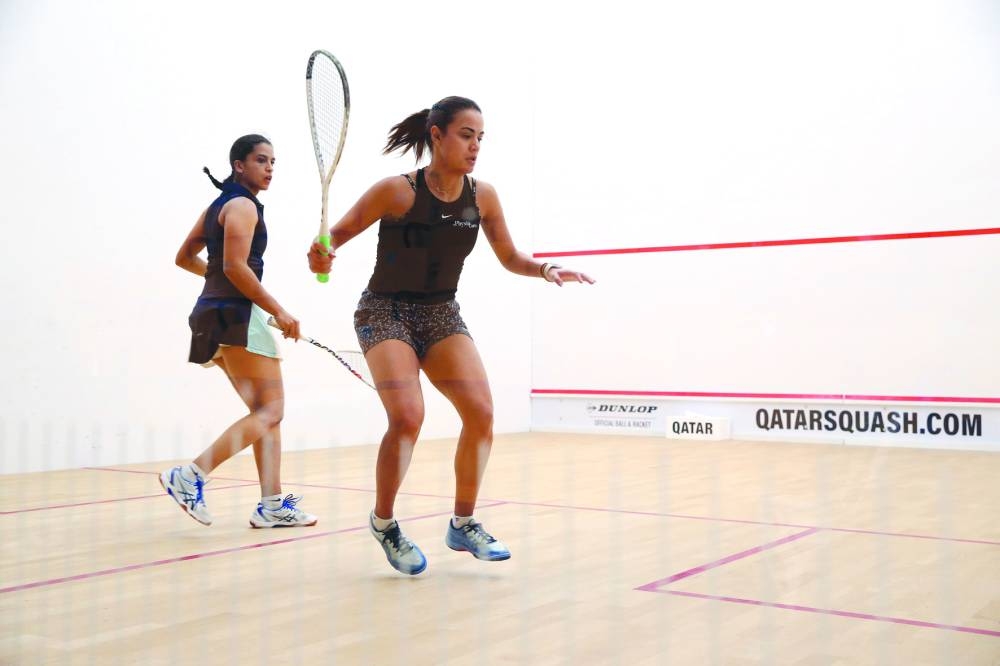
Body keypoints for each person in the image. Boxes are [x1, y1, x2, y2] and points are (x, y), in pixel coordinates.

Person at [307, 97, 593, 574]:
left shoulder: (483, 197)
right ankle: (384, 523)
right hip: (385, 311)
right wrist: (321, 254)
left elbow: (510, 257)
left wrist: (546, 269)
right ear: (436, 135)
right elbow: (332, 238)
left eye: (480, 137)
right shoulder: (396, 191)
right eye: (466, 134)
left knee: (481, 414)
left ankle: (463, 524)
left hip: (440, 313)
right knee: (408, 416)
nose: (475, 146)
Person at [160, 134, 317, 529]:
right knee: (272, 410)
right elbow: (234, 267)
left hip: (211, 317)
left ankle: (272, 504)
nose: (269, 169)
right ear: (238, 165)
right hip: (236, 317)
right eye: (261, 160)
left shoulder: (218, 205)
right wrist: (278, 310)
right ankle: (191, 475)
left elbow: (186, 259)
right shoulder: (244, 206)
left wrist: (224, 284)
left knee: (264, 414)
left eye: (273, 162)